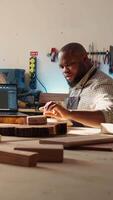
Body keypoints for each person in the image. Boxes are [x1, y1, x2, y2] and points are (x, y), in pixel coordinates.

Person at [41, 43, 113, 128]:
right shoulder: (77, 82)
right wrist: (59, 111)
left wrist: (69, 114)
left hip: (95, 141)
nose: (65, 71)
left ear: (85, 59)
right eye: (62, 67)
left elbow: (108, 117)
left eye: (69, 65)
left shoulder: (102, 84)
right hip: (75, 139)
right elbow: (74, 113)